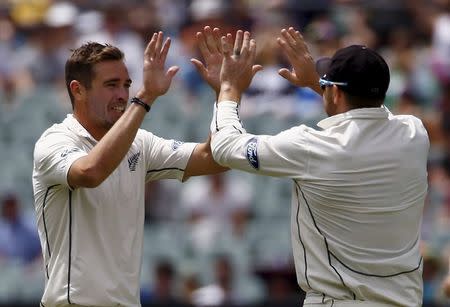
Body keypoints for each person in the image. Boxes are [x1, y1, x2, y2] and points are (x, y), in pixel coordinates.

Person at [203, 27, 429, 306]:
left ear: (334, 94)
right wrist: (322, 87)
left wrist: (228, 88)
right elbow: (370, 112)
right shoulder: (414, 134)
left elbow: (224, 147)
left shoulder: (312, 149)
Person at [32, 29, 226, 307]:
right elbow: (91, 172)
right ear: (78, 90)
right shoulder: (54, 141)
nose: (123, 94)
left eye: (127, 85)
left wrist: (225, 93)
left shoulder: (139, 143)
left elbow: (214, 157)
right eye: (112, 85)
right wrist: (145, 95)